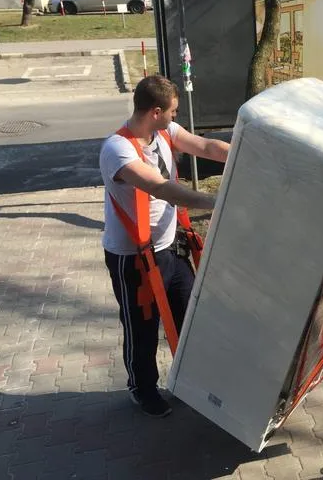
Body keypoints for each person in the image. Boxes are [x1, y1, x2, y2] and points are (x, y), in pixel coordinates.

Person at [99, 75, 229, 418]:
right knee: (142, 327)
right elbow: (162, 189)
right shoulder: (118, 149)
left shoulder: (164, 131)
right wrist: (219, 201)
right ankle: (142, 389)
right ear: (155, 111)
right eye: (172, 110)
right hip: (133, 257)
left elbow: (206, 147)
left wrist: (247, 157)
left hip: (171, 248)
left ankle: (194, 381)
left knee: (189, 314)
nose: (176, 116)